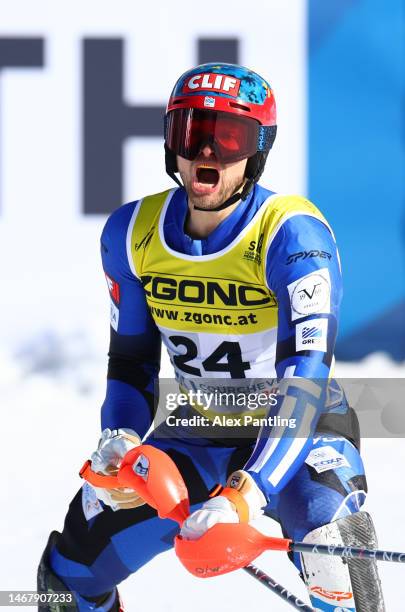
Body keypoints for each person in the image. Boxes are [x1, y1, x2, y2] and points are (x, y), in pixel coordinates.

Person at [37, 63, 385, 612]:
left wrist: (248, 495)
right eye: (192, 133)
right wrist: (122, 441)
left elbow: (307, 376)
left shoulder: (293, 234)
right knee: (66, 580)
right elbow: (130, 361)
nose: (208, 152)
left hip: (298, 433)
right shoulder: (131, 233)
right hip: (197, 430)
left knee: (336, 561)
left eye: (229, 138)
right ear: (170, 143)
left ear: (258, 151)